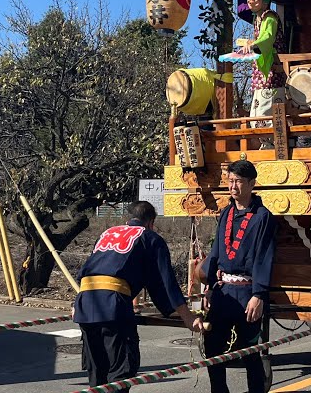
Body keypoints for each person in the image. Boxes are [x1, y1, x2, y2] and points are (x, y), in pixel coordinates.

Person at [74, 201, 202, 389]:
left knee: (97, 373)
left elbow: (89, 270)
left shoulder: (108, 233)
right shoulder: (150, 237)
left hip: (85, 302)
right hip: (113, 306)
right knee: (120, 373)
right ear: (151, 222)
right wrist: (187, 317)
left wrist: (75, 304)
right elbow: (165, 283)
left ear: (129, 218)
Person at [200, 160, 277, 393]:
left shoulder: (263, 217)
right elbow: (215, 253)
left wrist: (259, 294)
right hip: (223, 291)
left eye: (239, 182)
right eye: (230, 181)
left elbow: (265, 257)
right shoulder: (226, 213)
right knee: (213, 347)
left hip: (247, 293)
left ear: (252, 184)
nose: (233, 187)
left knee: (250, 352)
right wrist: (210, 286)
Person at [239, 0, 285, 148]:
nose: (251, 0)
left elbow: (267, 37)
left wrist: (253, 46)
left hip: (272, 69)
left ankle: (273, 144)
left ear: (265, 1)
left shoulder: (270, 16)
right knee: (257, 109)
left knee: (268, 107)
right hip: (261, 68)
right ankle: (266, 143)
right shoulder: (257, 19)